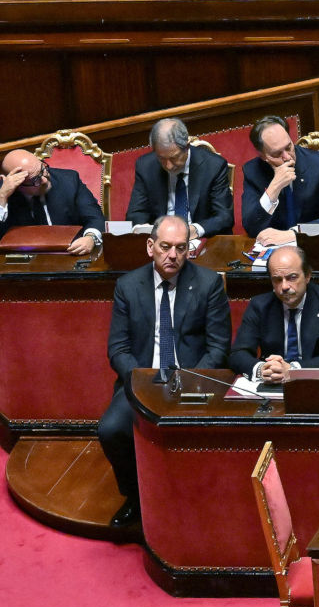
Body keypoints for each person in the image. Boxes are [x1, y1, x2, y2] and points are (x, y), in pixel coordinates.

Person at [97, 216, 231, 528]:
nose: (172, 255)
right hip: (142, 380)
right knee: (111, 430)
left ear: (189, 250)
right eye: (166, 247)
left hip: (194, 382)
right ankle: (136, 496)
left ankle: (197, 500)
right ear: (150, 247)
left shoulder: (208, 284)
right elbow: (117, 349)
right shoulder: (128, 286)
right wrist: (144, 381)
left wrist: (188, 381)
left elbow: (218, 347)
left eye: (181, 248)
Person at [228, 246, 319, 382]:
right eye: (277, 280)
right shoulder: (260, 306)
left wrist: (293, 370)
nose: (284, 286)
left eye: (292, 278)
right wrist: (262, 368)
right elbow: (238, 354)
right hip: (271, 381)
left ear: (308, 275)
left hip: (314, 382)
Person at [241, 116, 319, 245]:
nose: (287, 157)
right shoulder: (253, 171)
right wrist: (274, 188)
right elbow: (251, 227)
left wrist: (293, 234)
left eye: (288, 147)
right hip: (277, 250)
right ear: (263, 156)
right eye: (277, 154)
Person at [126, 117, 234, 238]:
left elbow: (224, 217)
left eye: (174, 158)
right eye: (161, 158)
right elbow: (136, 213)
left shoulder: (213, 166)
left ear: (187, 146)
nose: (168, 166)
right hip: (162, 240)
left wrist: (194, 230)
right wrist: (144, 229)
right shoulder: (146, 166)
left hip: (200, 239)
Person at [0, 149, 104, 253]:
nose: (45, 180)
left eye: (43, 169)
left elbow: (95, 217)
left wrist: (90, 238)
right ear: (17, 185)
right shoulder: (1, 195)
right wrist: (2, 197)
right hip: (27, 265)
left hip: (70, 253)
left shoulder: (69, 180)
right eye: (35, 180)